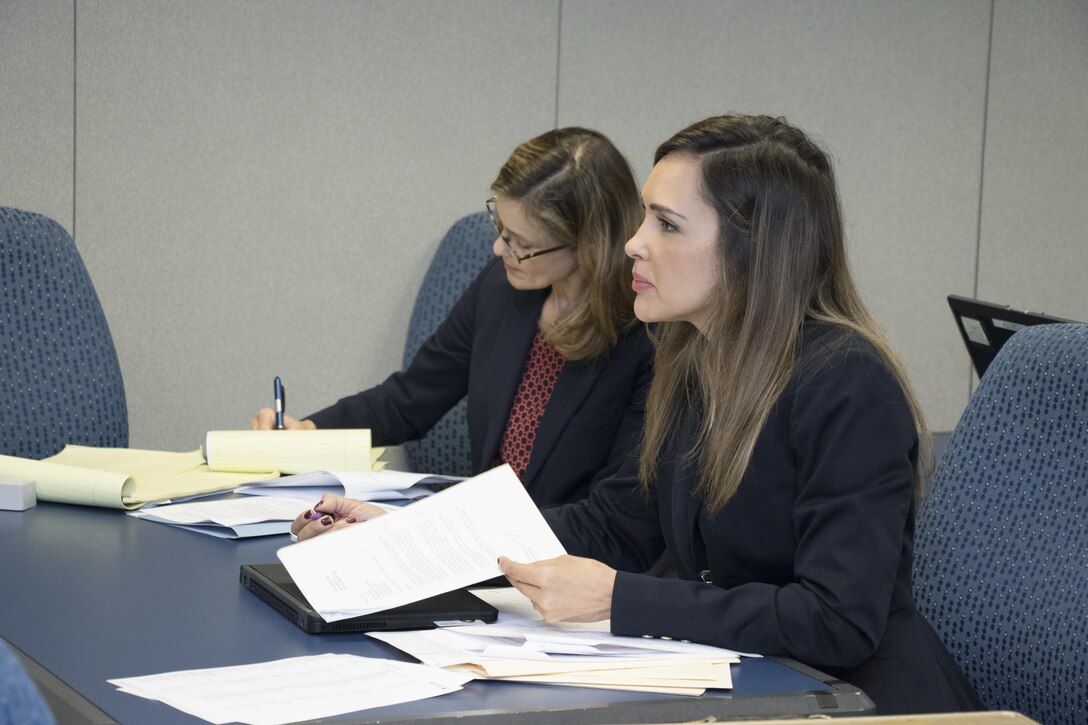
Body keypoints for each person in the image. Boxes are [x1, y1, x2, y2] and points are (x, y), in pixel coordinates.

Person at [494, 115, 982, 714]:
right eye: (646, 215)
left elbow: (837, 620)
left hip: (859, 702)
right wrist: (415, 537)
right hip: (756, 685)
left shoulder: (847, 382)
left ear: (754, 247)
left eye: (666, 224)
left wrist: (620, 599)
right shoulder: (693, 355)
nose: (633, 242)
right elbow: (617, 525)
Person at [254, 127, 652, 507]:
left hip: (566, 558)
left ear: (589, 244)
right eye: (501, 227)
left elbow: (616, 516)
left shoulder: (646, 338)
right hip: (478, 540)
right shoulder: (502, 289)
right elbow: (410, 398)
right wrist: (308, 432)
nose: (498, 249)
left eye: (521, 243)